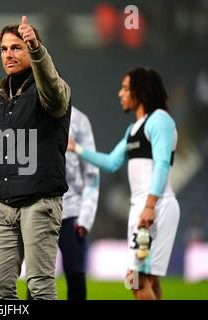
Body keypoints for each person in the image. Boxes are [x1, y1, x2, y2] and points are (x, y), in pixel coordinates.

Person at [0, 16, 71, 300]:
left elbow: (56, 97)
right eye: (4, 48)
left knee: (40, 288)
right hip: (4, 208)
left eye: (16, 47)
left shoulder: (51, 90)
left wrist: (36, 49)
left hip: (39, 203)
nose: (9, 54)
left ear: (31, 50)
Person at [68, 67, 179, 300]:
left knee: (136, 279)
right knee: (146, 279)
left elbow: (161, 163)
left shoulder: (159, 120)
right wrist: (76, 148)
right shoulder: (133, 130)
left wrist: (150, 205)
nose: (120, 93)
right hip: (141, 208)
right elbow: (110, 162)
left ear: (141, 91)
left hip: (153, 208)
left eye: (126, 88)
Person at [26, 105, 100, 300]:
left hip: (71, 210)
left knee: (75, 274)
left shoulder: (79, 119)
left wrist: (86, 217)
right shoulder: (28, 114)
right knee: (36, 277)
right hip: (38, 210)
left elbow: (92, 172)